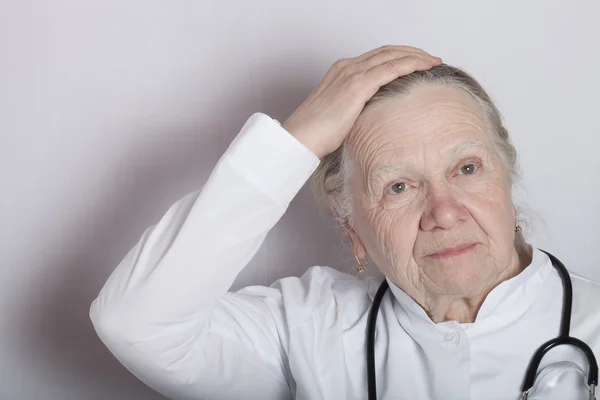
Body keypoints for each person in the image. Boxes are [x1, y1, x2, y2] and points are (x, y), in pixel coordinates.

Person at [90, 45, 600, 400]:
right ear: (353, 230)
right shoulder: (306, 327)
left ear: (506, 182)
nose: (444, 213)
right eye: (398, 187)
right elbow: (136, 323)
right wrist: (297, 139)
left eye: (466, 169)